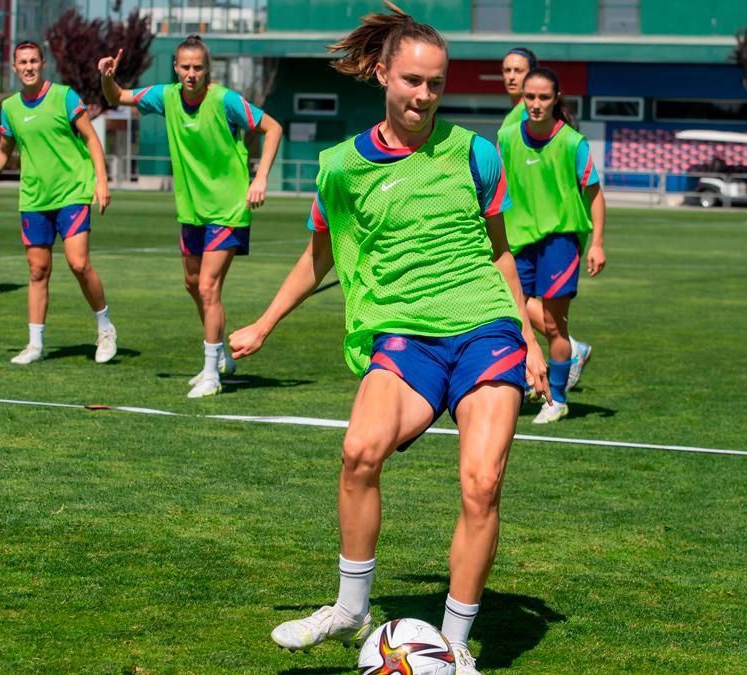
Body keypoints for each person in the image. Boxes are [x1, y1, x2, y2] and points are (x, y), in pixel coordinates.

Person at [228, 4, 548, 672]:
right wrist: (264, 320)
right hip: (404, 336)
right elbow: (318, 256)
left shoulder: (476, 154)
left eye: (436, 83)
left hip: (486, 327)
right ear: (382, 74)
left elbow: (500, 252)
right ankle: (350, 607)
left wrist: (531, 335)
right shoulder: (342, 167)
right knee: (359, 451)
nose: (424, 96)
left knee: (482, 482)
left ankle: (455, 645)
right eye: (412, 81)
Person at [99, 35, 283, 398]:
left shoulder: (225, 100)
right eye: (185, 67)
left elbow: (272, 127)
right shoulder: (166, 96)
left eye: (198, 67)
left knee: (208, 288)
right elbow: (116, 96)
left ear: (207, 68)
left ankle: (211, 374)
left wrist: (260, 177)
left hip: (228, 207)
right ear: (175, 67)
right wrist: (107, 76)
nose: (191, 73)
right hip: (192, 210)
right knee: (193, 284)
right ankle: (220, 359)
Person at [0, 41, 118, 365]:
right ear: (14, 67)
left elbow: (91, 138)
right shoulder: (10, 107)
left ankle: (106, 328)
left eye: (33, 61)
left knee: (78, 263)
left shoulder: (64, 96)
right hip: (34, 198)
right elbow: (2, 150)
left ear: (42, 63)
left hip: (72, 191)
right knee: (38, 270)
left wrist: (102, 180)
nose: (28, 67)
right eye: (22, 62)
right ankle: (35, 344)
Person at [497, 67, 606, 423]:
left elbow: (595, 194)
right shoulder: (508, 137)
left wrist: (597, 244)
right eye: (530, 97)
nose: (536, 104)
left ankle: (556, 399)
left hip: (560, 239)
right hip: (517, 239)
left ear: (556, 99)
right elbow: (494, 191)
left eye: (544, 97)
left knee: (553, 322)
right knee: (512, 317)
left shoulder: (573, 143)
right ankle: (528, 381)